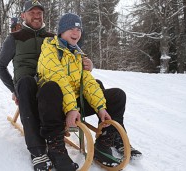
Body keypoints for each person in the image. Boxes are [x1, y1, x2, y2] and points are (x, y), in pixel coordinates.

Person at [0, 1, 93, 171]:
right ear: (23, 15)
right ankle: (38, 151)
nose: (36, 15)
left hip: (48, 83)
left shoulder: (52, 38)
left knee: (60, 85)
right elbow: (0, 66)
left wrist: (89, 64)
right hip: (26, 85)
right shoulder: (14, 38)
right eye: (31, 12)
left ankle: (107, 137)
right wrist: (13, 89)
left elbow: (74, 55)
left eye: (39, 12)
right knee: (26, 83)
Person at [37, 13, 142, 170]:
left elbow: (87, 82)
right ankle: (55, 148)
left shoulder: (78, 54)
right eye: (71, 28)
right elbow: (59, 79)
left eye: (79, 29)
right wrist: (71, 109)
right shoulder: (50, 50)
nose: (76, 32)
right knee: (51, 87)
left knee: (117, 95)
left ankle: (104, 143)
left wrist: (101, 107)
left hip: (74, 103)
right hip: (54, 105)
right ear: (61, 31)